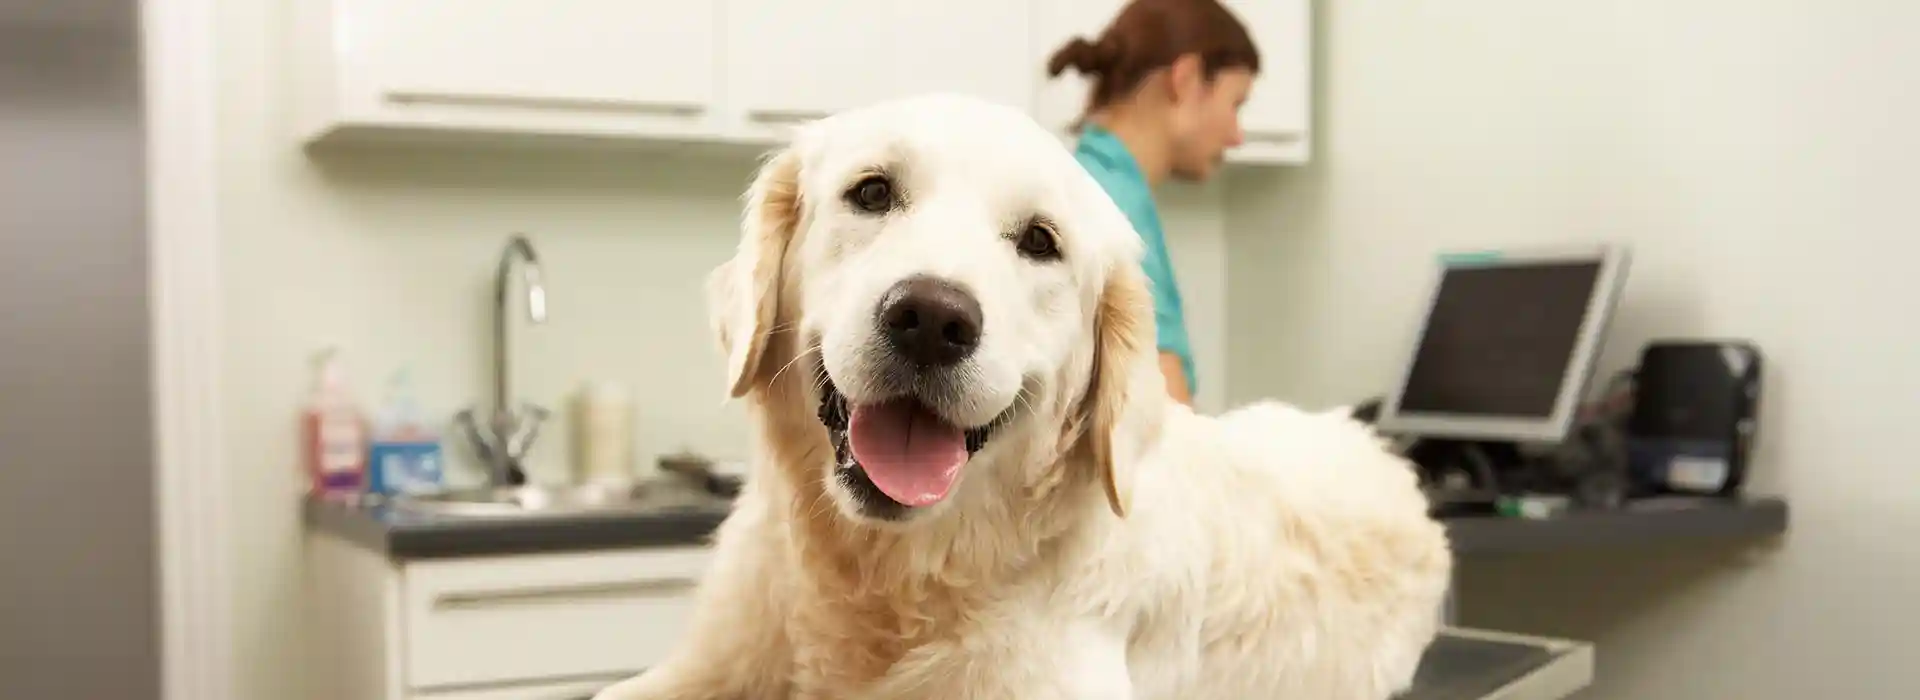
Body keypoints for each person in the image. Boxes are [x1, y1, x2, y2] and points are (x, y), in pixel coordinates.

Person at [1046, 0, 1259, 406]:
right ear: (1186, 78)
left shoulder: (1089, 182)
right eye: (1235, 104)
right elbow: (1166, 422)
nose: (1237, 135)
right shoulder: (1114, 210)